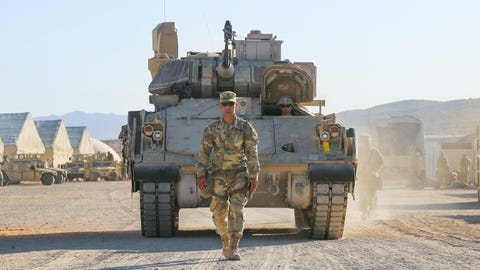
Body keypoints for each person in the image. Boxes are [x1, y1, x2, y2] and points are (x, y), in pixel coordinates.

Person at [196, 90, 260, 260]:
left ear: (236, 106)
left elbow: (252, 153)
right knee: (218, 213)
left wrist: (254, 175)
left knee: (237, 209)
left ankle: (234, 246)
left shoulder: (246, 128)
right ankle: (224, 238)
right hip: (219, 176)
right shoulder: (212, 129)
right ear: (220, 106)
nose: (228, 107)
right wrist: (201, 173)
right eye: (225, 104)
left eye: (231, 104)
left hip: (239, 174)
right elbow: (204, 153)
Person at [356, 136, 383, 220]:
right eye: (365, 142)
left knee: (372, 195)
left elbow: (381, 162)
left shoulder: (374, 152)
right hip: (362, 177)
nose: (366, 143)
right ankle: (364, 212)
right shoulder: (357, 152)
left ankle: (371, 211)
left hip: (372, 177)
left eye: (367, 142)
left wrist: (374, 169)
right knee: (362, 195)